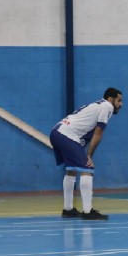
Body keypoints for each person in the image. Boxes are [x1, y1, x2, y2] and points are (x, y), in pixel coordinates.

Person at [50, 88, 123, 221]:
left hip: (57, 132)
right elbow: (98, 133)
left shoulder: (97, 105)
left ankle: (68, 209)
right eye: (119, 100)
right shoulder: (107, 106)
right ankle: (87, 211)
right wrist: (89, 155)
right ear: (110, 99)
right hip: (67, 135)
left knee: (71, 170)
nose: (121, 104)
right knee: (87, 168)